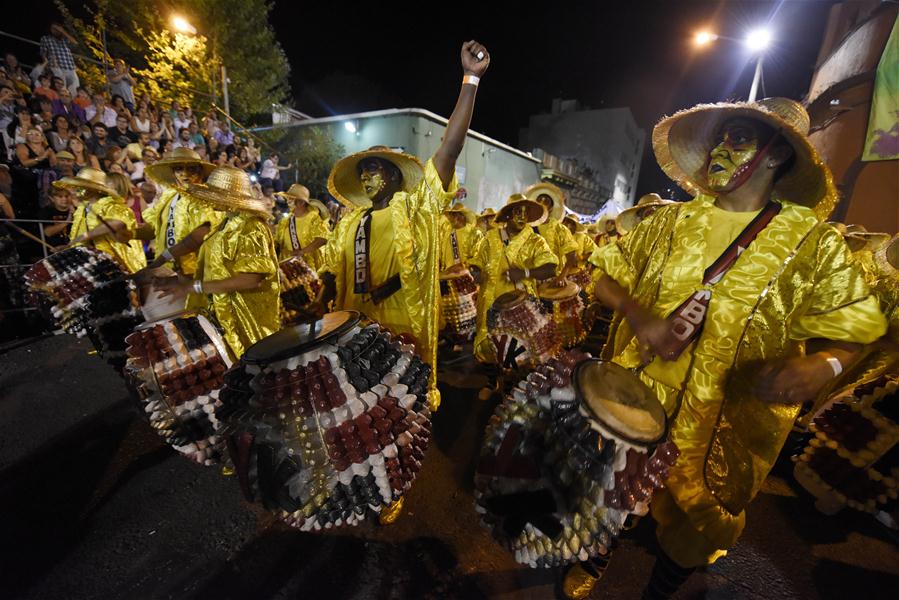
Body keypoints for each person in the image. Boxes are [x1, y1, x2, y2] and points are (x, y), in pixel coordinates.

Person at [562, 97, 888, 599]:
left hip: (726, 420)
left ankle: (658, 592)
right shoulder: (669, 222)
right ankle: (597, 558)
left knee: (695, 526)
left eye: (739, 137)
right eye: (721, 136)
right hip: (638, 391)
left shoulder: (812, 243)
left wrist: (823, 364)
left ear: (778, 155)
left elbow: (861, 328)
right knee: (613, 493)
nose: (720, 148)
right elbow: (603, 276)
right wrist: (637, 312)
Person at [154, 166, 280, 361]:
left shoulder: (251, 227)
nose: (209, 199)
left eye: (213, 194)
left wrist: (194, 287)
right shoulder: (225, 222)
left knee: (253, 367)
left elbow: (252, 279)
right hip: (223, 312)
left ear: (228, 197)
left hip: (245, 318)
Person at [468, 193, 557, 364]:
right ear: (508, 214)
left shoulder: (536, 241)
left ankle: (513, 387)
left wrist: (525, 273)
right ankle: (494, 382)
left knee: (520, 353)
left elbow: (551, 268)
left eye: (526, 212)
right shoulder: (491, 238)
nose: (523, 216)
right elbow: (478, 260)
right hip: (489, 303)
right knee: (489, 347)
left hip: (520, 306)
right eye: (518, 211)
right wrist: (476, 271)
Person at [135, 147, 218, 276]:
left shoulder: (206, 198)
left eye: (191, 169)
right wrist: (130, 233)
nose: (185, 174)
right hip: (167, 270)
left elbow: (201, 235)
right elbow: (155, 228)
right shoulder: (169, 196)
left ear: (201, 172)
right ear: (173, 172)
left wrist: (162, 259)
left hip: (195, 273)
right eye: (179, 168)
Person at [56, 167, 146, 272]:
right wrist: (68, 247)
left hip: (114, 266)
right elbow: (79, 239)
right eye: (76, 186)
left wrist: (85, 236)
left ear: (94, 189)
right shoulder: (83, 209)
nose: (76, 189)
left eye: (81, 187)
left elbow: (116, 223)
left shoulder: (114, 206)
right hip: (88, 263)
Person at [524, 182, 578, 279]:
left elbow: (572, 257)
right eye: (539, 200)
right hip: (528, 277)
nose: (541, 203)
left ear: (551, 208)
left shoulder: (560, 229)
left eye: (546, 202)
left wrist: (562, 277)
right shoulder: (525, 226)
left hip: (551, 278)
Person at [273, 183, 331, 268]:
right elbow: (276, 240)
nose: (288, 201)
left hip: (309, 265)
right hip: (288, 266)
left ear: (301, 202)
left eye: (291, 199)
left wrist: (302, 252)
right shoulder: (285, 221)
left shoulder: (313, 218)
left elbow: (322, 238)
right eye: (288, 198)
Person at [439, 202, 482, 271]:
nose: (450, 217)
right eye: (451, 214)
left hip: (463, 277)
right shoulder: (447, 231)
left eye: (454, 214)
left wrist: (464, 266)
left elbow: (478, 257)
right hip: (446, 275)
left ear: (462, 216)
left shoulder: (474, 233)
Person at [39, 23, 79, 95]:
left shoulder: (65, 39)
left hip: (70, 67)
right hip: (57, 66)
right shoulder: (46, 38)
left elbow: (75, 44)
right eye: (54, 29)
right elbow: (43, 53)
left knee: (75, 89)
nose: (56, 30)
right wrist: (46, 65)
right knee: (62, 89)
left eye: (57, 28)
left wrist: (63, 32)